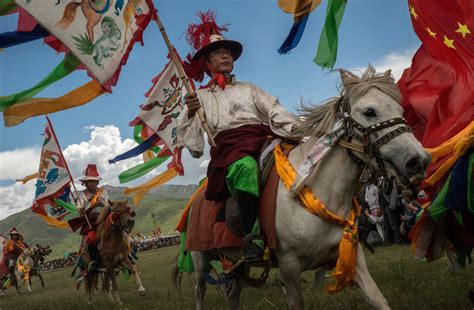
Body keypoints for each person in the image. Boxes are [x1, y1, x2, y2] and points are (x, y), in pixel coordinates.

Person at [177, 12, 303, 262]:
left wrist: (299, 130)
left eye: (228, 52)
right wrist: (191, 112)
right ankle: (253, 236)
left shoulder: (249, 88)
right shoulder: (200, 97)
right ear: (208, 62)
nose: (225, 55)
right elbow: (194, 147)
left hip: (264, 139)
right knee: (245, 168)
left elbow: (274, 110)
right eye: (218, 52)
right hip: (231, 150)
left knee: (295, 161)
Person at [71, 164, 109, 271]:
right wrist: (80, 209)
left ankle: (125, 254)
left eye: (94, 181)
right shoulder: (82, 195)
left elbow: (108, 204)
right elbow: (79, 206)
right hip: (90, 222)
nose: (92, 183)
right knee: (91, 238)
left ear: (97, 182)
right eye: (89, 181)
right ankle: (94, 261)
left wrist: (103, 205)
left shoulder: (103, 192)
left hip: (104, 218)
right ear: (85, 183)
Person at [3, 228, 28, 292]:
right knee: (11, 263)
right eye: (13, 235)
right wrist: (12, 247)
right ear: (11, 236)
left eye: (16, 235)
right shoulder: (9, 242)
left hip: (18, 256)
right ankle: (11, 273)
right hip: (11, 256)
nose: (15, 236)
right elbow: (6, 250)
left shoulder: (19, 242)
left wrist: (23, 250)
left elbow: (23, 248)